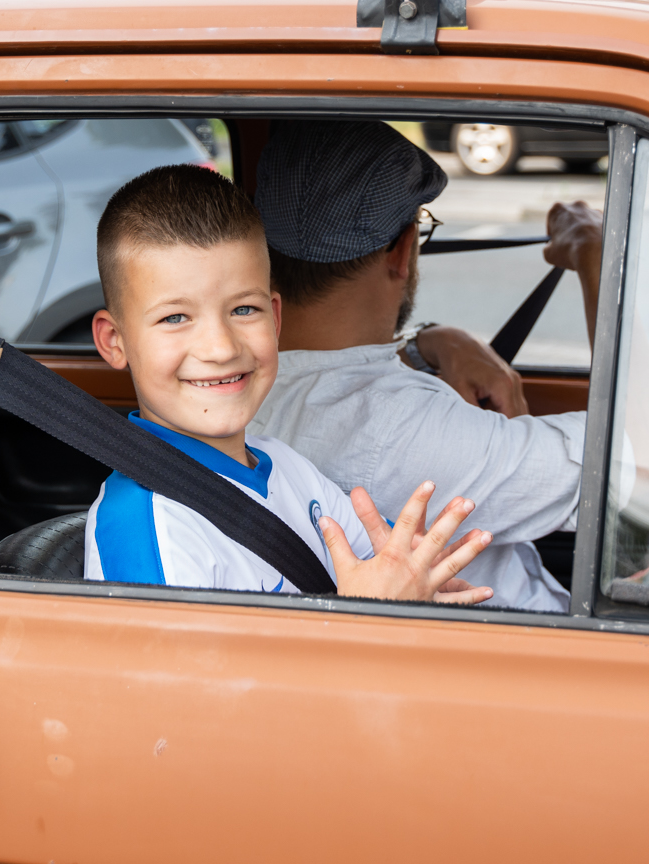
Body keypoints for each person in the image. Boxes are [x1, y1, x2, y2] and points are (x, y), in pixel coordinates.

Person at [83, 163, 494, 603]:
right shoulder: (148, 530)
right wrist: (369, 616)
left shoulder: (288, 468)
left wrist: (417, 578)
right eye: (175, 317)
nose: (221, 348)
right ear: (114, 341)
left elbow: (388, 568)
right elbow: (189, 674)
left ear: (275, 318)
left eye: (244, 310)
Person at [247, 120, 601, 612]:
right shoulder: (400, 428)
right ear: (402, 249)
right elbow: (635, 467)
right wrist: (596, 255)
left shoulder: (232, 386)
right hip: (546, 668)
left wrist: (427, 343)